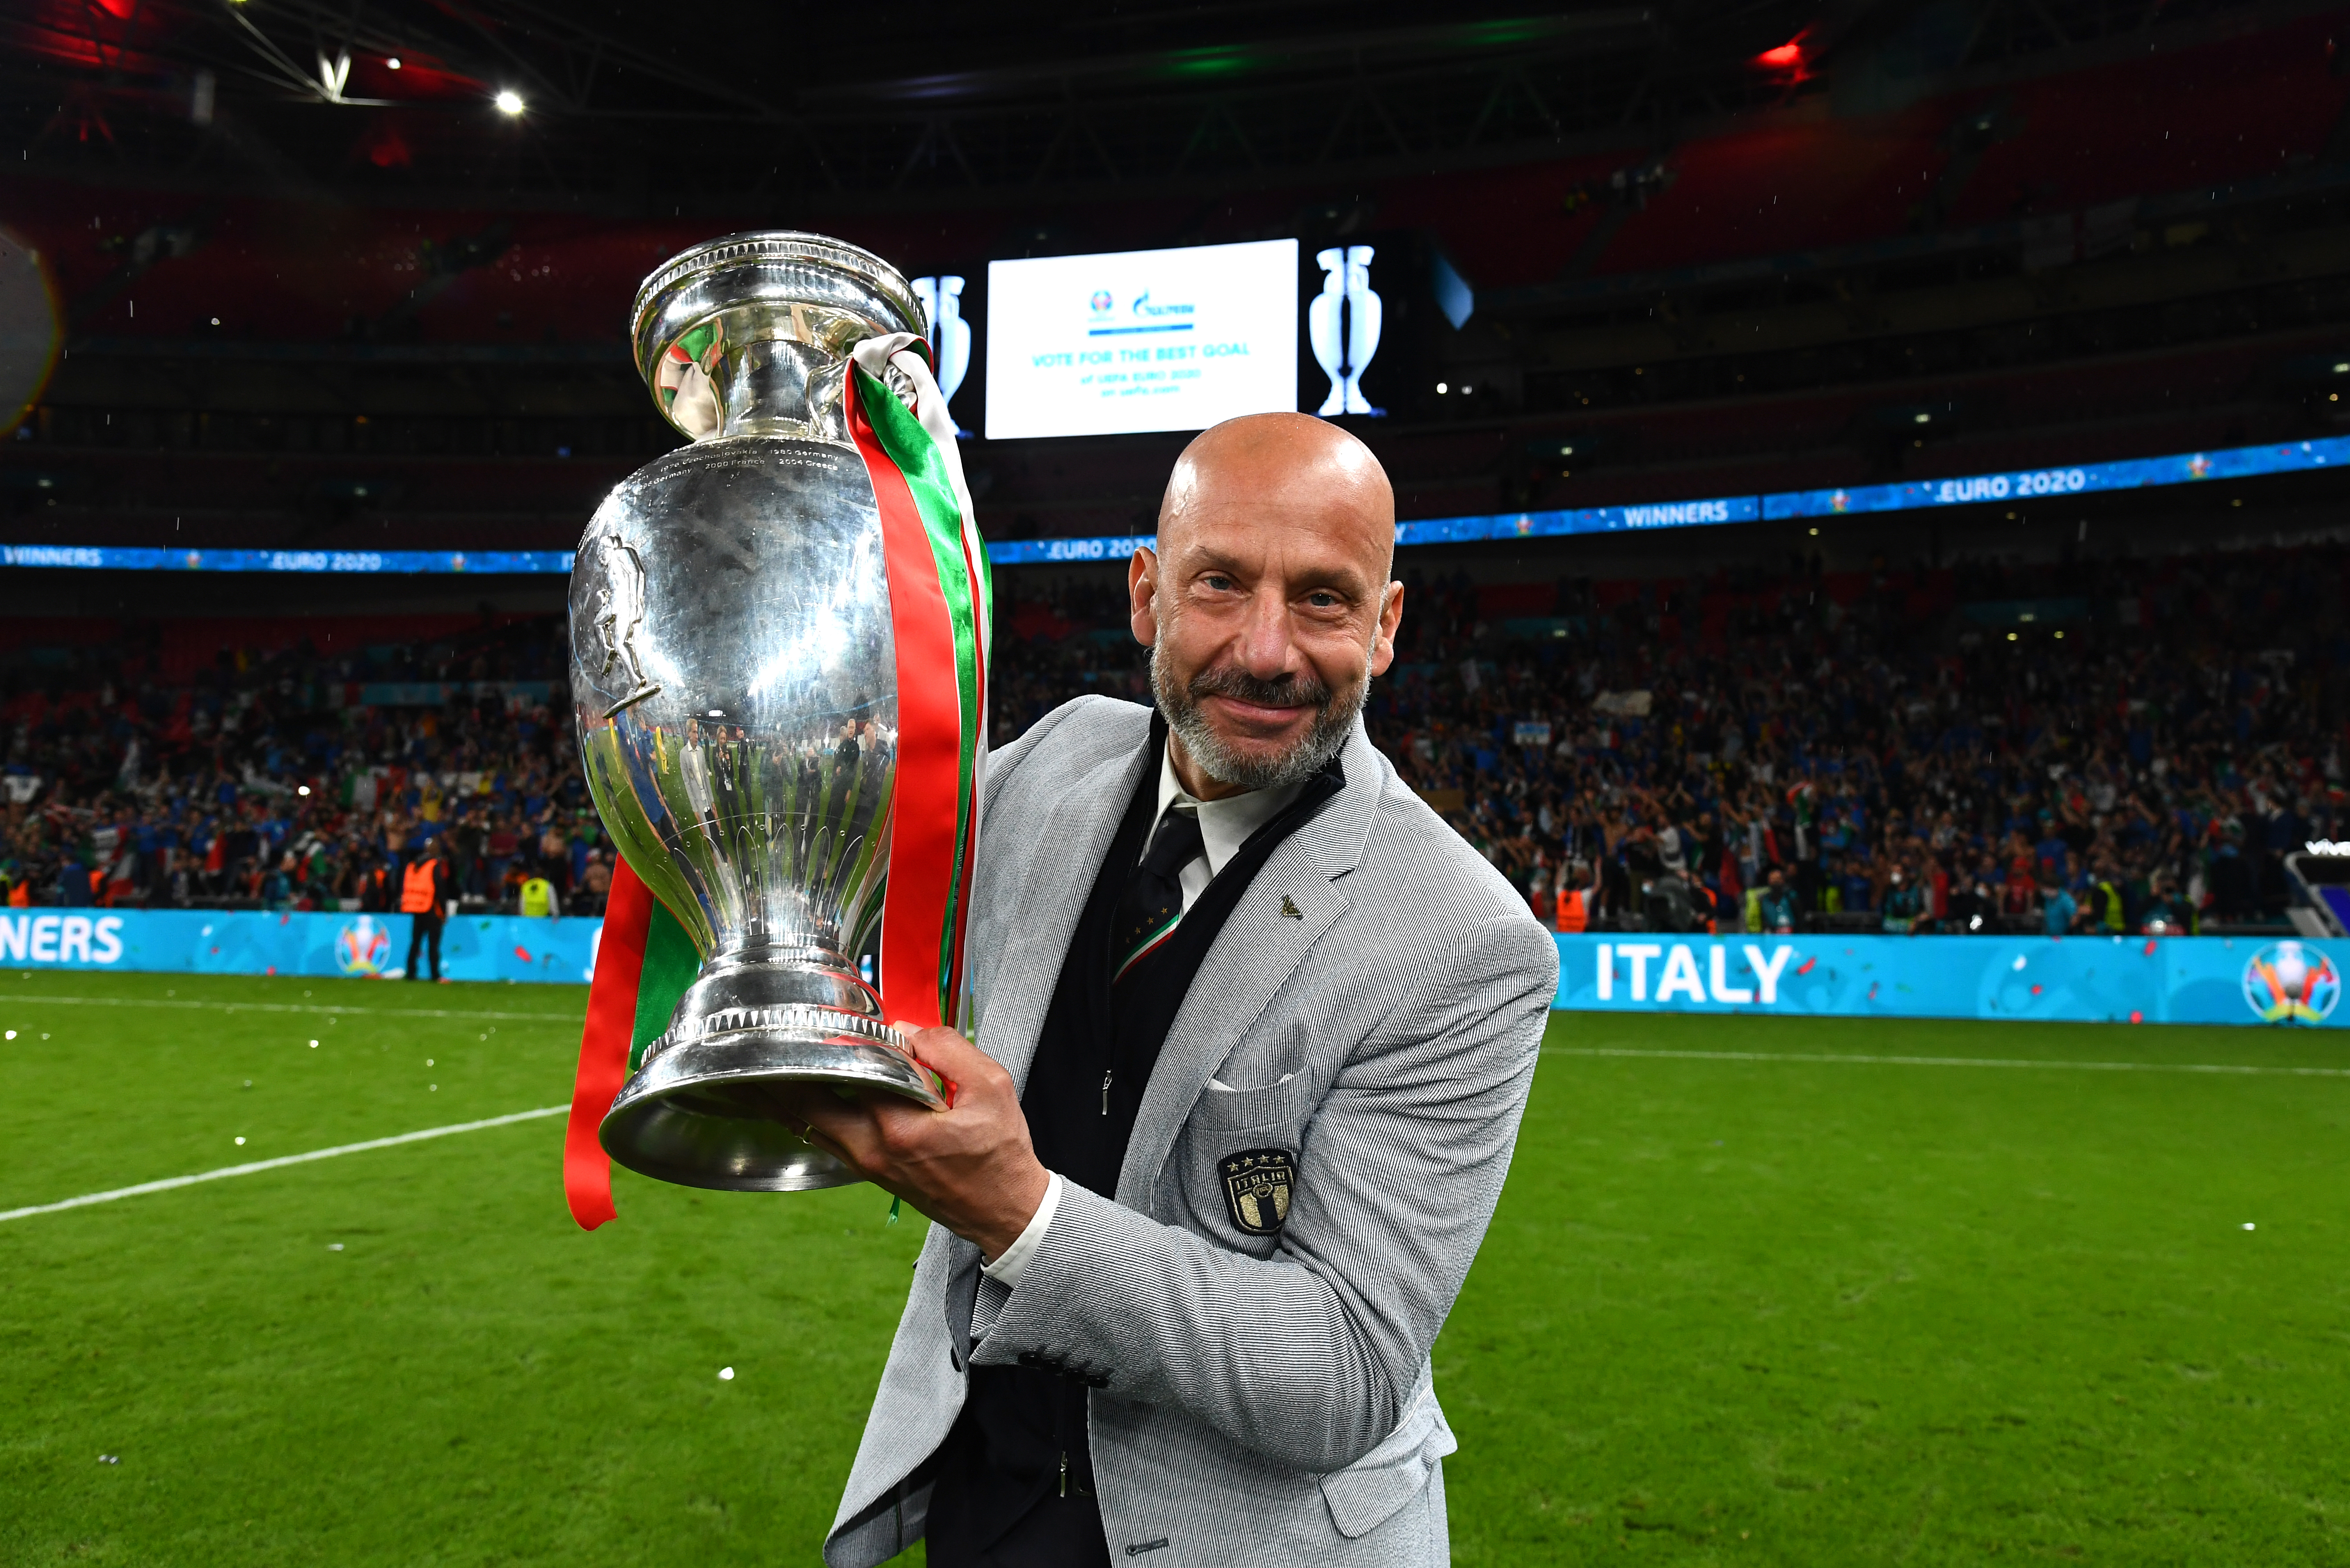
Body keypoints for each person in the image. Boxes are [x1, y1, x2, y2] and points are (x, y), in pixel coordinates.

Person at [774, 413, 1557, 1568]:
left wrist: (1019, 1213)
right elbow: (872, 909)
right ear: (1144, 593)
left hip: (1245, 1540)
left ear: (1386, 625)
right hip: (987, 1502)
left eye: (1325, 599)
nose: (1267, 645)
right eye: (1221, 583)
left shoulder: (1465, 940)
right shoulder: (1059, 758)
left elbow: (1337, 1370)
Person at [401, 839, 455, 982]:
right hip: (431, 909)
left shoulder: (413, 865)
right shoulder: (434, 865)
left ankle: (411, 972)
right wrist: (444, 911)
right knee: (433, 944)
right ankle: (435, 975)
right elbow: (440, 889)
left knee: (416, 942)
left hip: (416, 908)